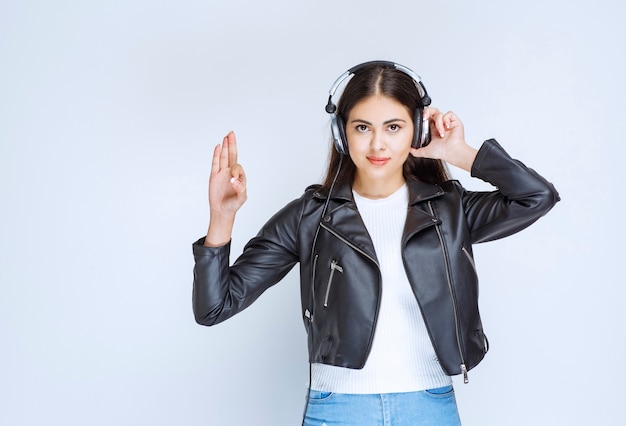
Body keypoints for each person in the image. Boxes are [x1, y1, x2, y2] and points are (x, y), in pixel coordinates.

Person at [191, 61, 559, 425]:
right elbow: (214, 307)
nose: (378, 143)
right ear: (341, 133)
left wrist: (458, 153)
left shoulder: (449, 209)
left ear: (415, 132)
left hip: (427, 406)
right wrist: (222, 217)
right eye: (362, 127)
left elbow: (536, 197)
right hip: (337, 409)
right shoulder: (310, 216)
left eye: (394, 127)